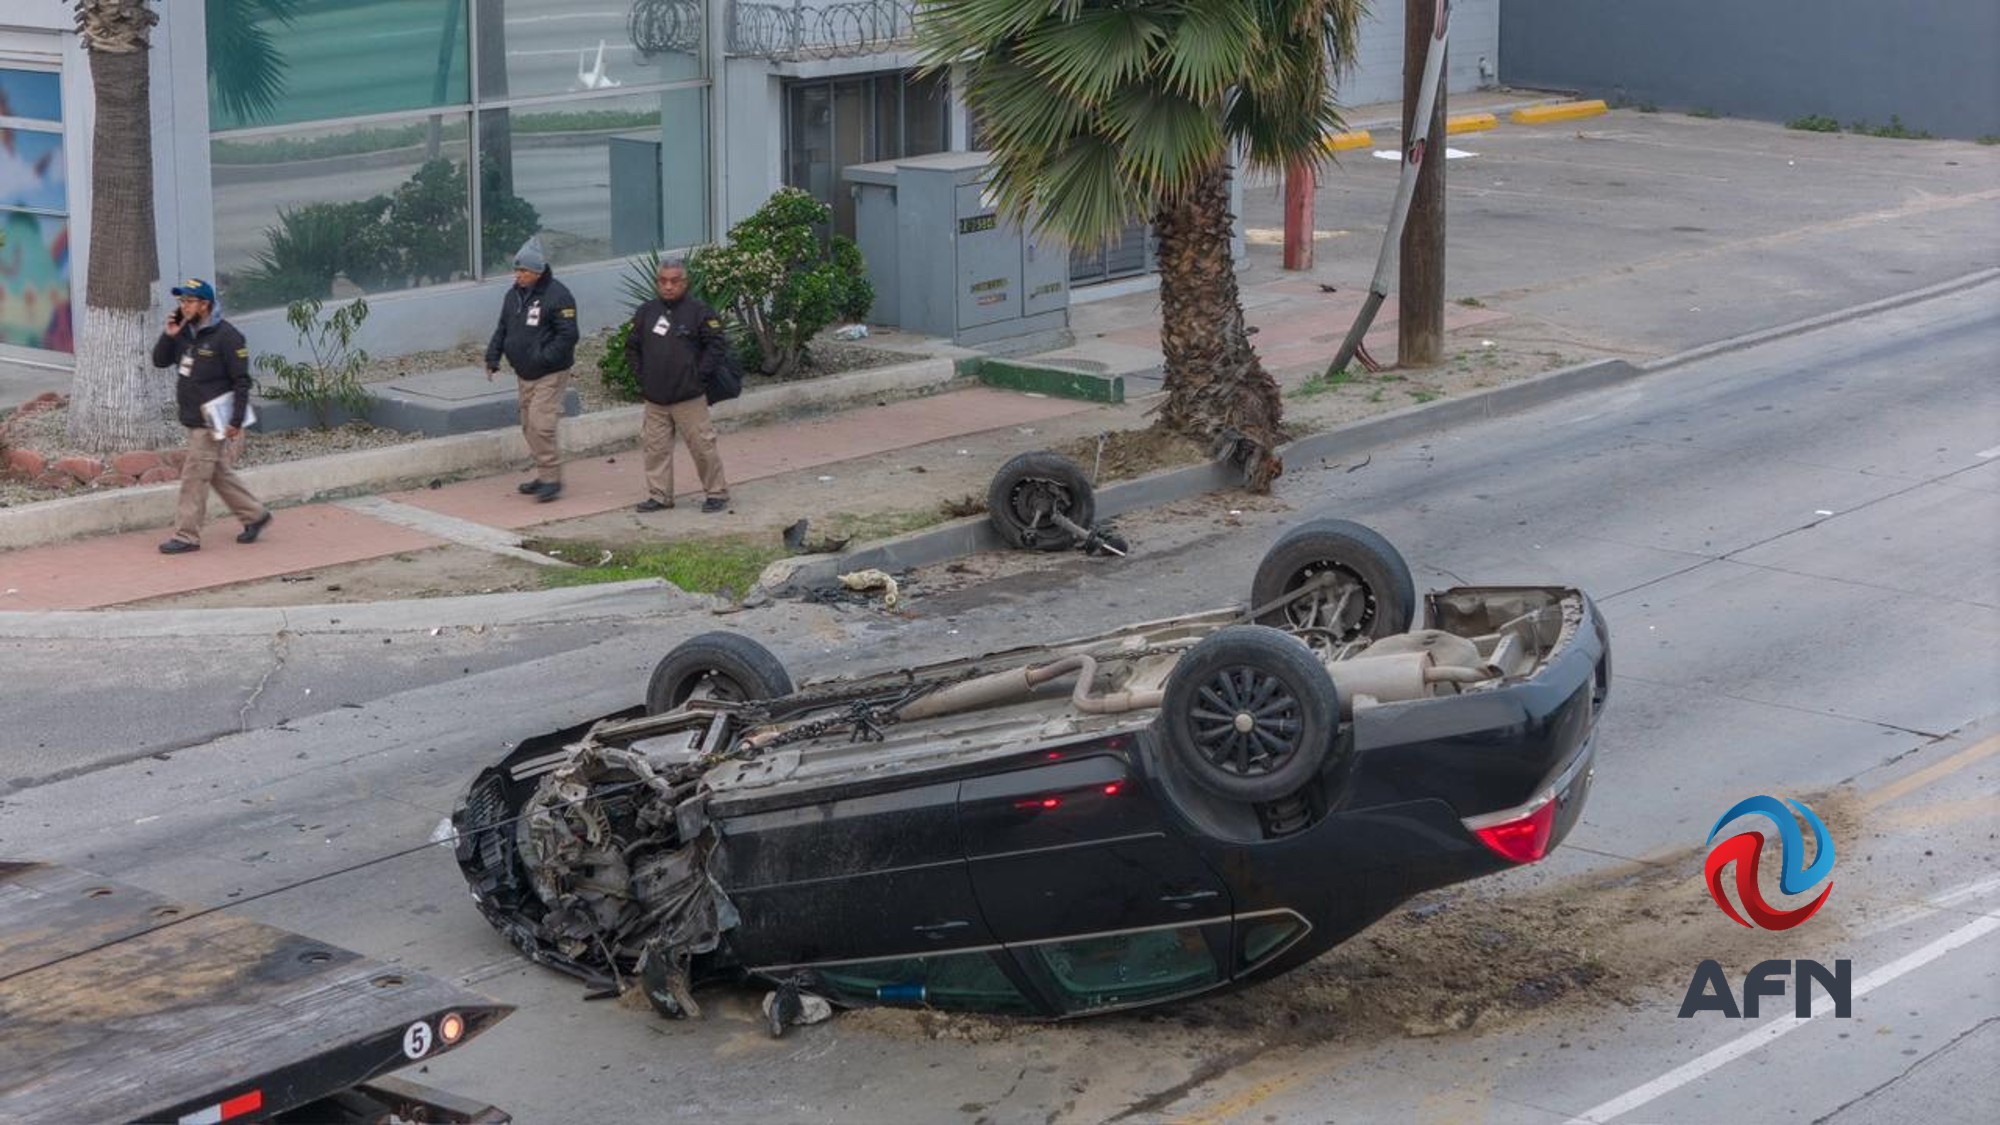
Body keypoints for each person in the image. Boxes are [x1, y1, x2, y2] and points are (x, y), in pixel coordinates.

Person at [151, 278, 271, 555]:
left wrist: (236, 421)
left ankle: (187, 535)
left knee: (194, 478)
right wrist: (169, 334)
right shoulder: (184, 332)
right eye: (181, 301)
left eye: (189, 301)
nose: (183, 306)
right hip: (192, 417)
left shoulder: (228, 337)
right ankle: (255, 515)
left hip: (211, 420)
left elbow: (241, 381)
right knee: (216, 472)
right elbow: (159, 360)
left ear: (205, 305)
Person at [624, 258, 731, 514]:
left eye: (674, 281)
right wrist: (642, 376)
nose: (668, 286)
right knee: (655, 450)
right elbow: (632, 347)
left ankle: (716, 492)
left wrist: (698, 377)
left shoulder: (700, 311)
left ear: (685, 282)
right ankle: (660, 496)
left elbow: (716, 346)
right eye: (663, 281)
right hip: (655, 398)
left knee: (703, 447)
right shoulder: (646, 311)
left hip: (688, 397)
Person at [485, 235, 578, 502]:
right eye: (516, 270)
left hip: (550, 372)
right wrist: (493, 358)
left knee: (541, 423)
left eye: (524, 270)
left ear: (537, 271)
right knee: (528, 426)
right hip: (524, 372)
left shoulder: (559, 296)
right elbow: (503, 328)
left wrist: (543, 358)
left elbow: (568, 336)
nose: (518, 275)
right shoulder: (513, 295)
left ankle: (552, 480)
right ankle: (544, 474)